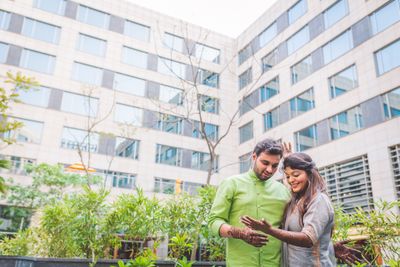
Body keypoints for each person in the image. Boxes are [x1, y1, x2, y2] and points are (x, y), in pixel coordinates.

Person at [241, 152, 336, 266]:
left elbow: (308, 239)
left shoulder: (319, 200)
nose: (291, 180)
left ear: (310, 174)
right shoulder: (295, 201)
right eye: (288, 176)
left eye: (296, 175)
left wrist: (269, 230)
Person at [208, 138, 292, 267]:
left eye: (274, 166)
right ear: (254, 157)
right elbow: (214, 222)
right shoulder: (231, 184)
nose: (269, 169)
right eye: (265, 163)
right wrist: (240, 233)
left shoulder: (283, 190)